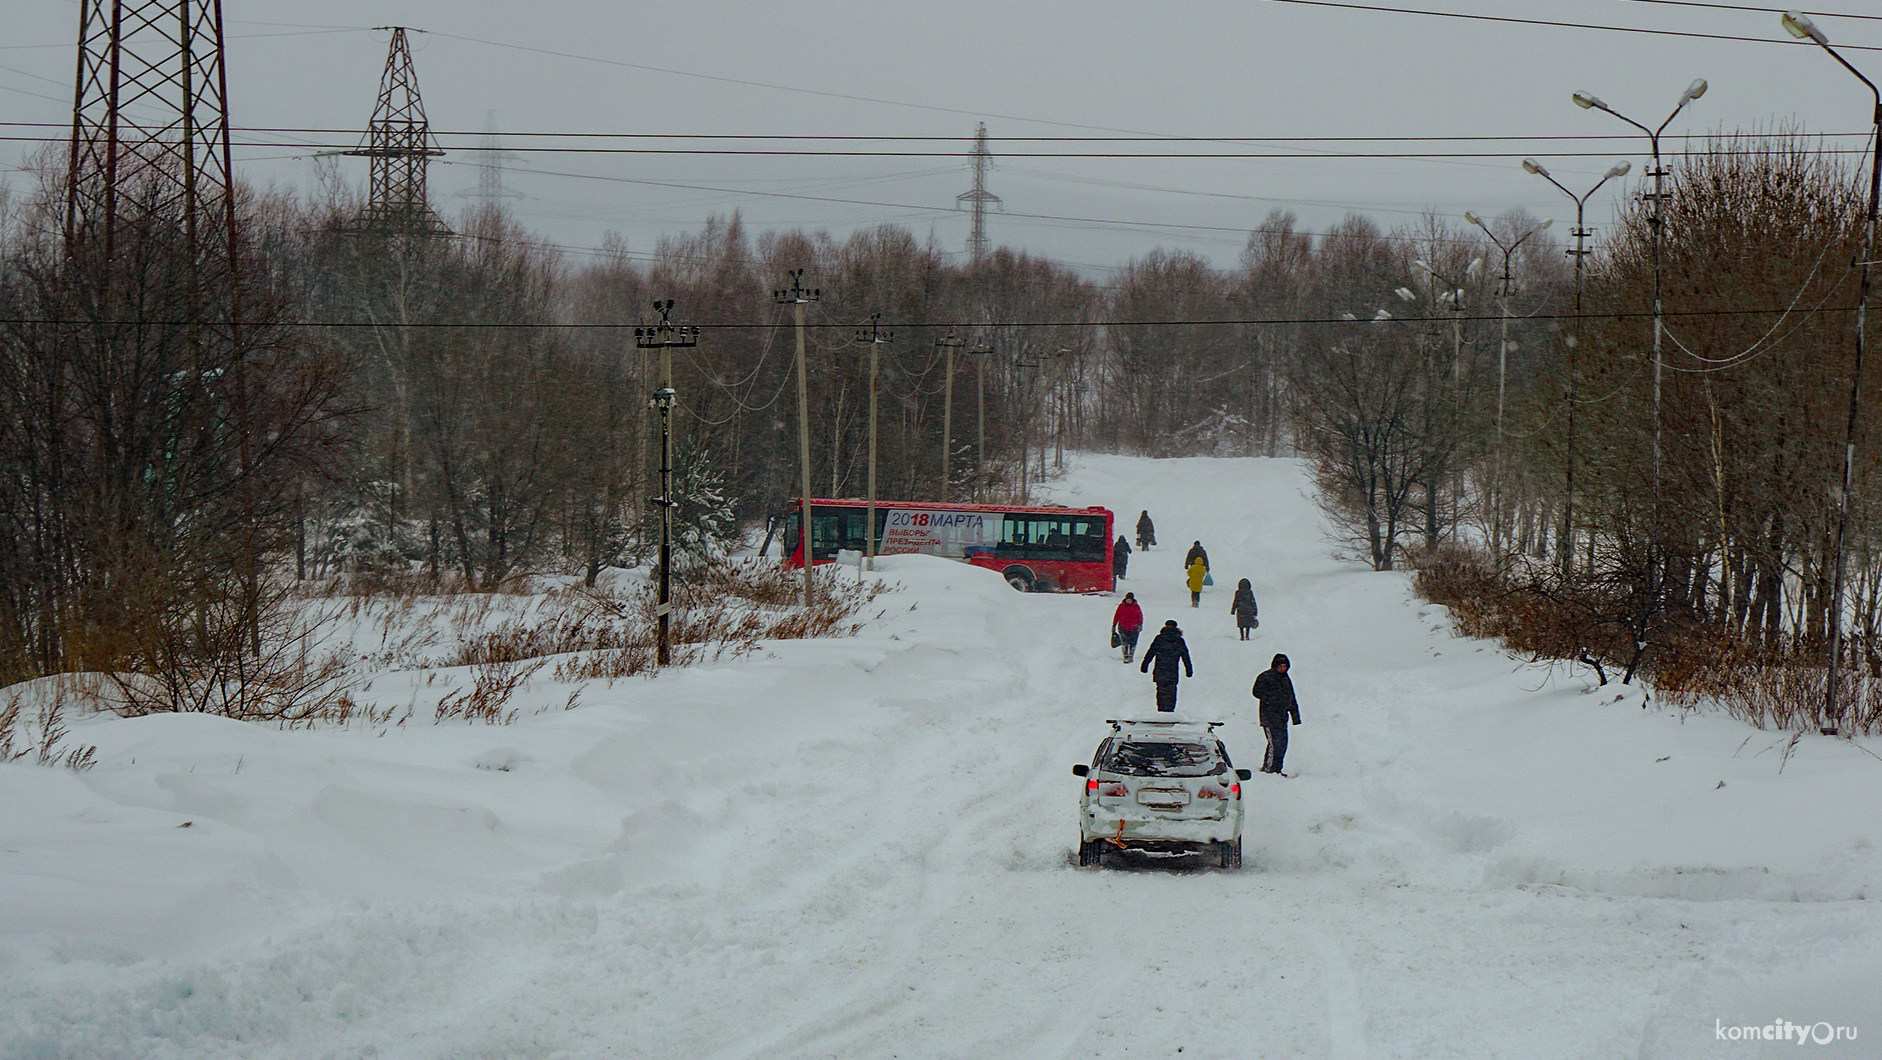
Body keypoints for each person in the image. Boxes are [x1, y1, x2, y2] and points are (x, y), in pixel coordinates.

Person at [1251, 654, 1301, 774]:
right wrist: (1270, 699)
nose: (1283, 668)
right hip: (1269, 717)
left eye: (1285, 666)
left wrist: (1295, 716)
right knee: (1275, 744)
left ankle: (1277, 769)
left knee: (1282, 745)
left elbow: (1291, 698)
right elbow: (1256, 691)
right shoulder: (1266, 677)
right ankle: (1269, 769)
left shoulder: (1285, 679)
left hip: (1282, 718)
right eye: (1281, 666)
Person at [1139, 620, 1194, 711]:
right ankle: (1170, 709)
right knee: (1171, 691)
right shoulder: (1179, 640)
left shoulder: (1159, 638)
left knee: (1161, 690)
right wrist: (1189, 670)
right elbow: (1185, 656)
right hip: (1172, 670)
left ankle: (1161, 708)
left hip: (1160, 669)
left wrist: (1145, 665)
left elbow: (1151, 652)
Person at [1112, 592, 1144, 663]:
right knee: (1124, 642)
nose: (1128, 601)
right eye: (1127, 599)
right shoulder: (1121, 606)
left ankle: (1131, 655)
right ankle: (1125, 656)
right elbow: (1117, 615)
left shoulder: (1136, 607)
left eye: (1130, 600)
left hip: (1134, 628)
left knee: (1133, 642)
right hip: (1123, 627)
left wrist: (1140, 624)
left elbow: (1140, 616)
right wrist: (1114, 624)